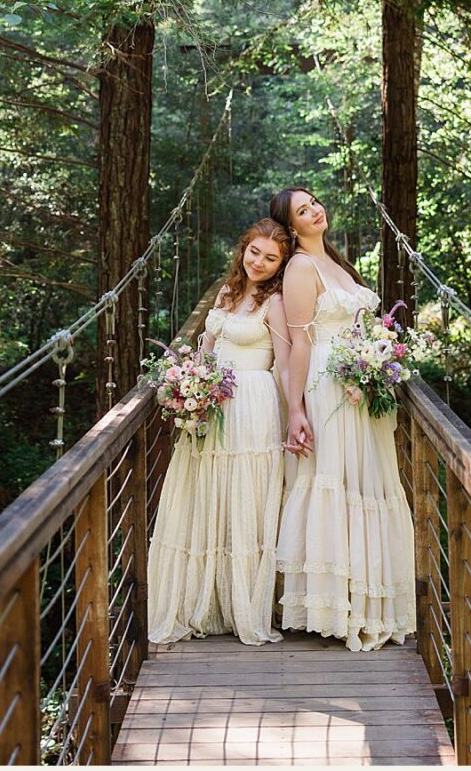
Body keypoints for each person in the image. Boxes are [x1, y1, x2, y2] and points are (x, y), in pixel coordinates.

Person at [269, 187, 415, 651]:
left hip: (361, 386)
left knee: (366, 484)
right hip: (328, 386)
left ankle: (366, 601)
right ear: (292, 227)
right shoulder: (299, 268)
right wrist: (296, 411)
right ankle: (332, 606)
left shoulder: (336, 261)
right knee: (336, 481)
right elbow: (299, 344)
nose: (316, 210)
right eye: (303, 210)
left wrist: (379, 358)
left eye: (314, 203)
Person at [146, 218, 293, 645]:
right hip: (210, 405)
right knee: (208, 493)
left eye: (270, 258)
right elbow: (206, 348)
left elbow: (283, 364)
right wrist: (186, 382)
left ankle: (244, 603)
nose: (259, 263)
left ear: (281, 264)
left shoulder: (278, 303)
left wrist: (299, 414)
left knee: (243, 495)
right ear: (243, 248)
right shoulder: (227, 291)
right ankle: (206, 600)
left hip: (252, 405)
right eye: (254, 252)